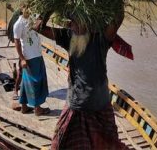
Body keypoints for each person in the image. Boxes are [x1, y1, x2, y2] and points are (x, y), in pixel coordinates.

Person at [35, 9, 129, 150]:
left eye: (77, 22)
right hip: (76, 106)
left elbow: (118, 17)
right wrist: (49, 7)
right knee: (59, 145)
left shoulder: (101, 38)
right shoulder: (68, 36)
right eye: (72, 22)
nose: (73, 26)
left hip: (100, 106)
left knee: (108, 145)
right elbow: (38, 27)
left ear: (88, 23)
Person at [11, 2, 50, 116]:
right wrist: (22, 58)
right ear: (22, 9)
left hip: (36, 54)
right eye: (27, 8)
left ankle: (24, 106)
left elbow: (41, 21)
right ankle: (37, 108)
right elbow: (17, 42)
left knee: (26, 81)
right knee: (36, 81)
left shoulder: (32, 19)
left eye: (31, 8)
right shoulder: (18, 24)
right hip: (30, 56)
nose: (30, 10)